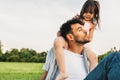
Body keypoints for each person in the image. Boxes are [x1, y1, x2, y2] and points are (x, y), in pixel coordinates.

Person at [54, 0, 100, 79]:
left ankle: (92, 77)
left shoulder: (92, 24)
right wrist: (61, 33)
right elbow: (69, 27)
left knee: (94, 57)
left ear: (95, 14)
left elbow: (90, 38)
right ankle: (63, 72)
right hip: (70, 37)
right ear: (82, 11)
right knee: (58, 41)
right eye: (85, 12)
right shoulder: (77, 18)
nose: (87, 14)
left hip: (83, 42)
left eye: (90, 13)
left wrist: (83, 39)